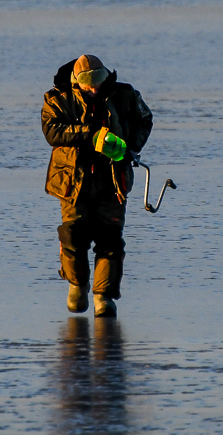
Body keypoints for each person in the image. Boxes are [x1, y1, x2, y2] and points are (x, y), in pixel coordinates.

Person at [42, 54, 153, 316]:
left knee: (110, 239)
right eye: (88, 84)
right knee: (73, 235)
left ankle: (104, 297)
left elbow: (144, 119)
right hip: (73, 181)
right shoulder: (56, 99)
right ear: (76, 81)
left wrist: (131, 147)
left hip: (112, 179)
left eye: (98, 82)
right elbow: (52, 131)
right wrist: (92, 136)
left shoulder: (124, 95)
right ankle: (77, 285)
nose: (94, 89)